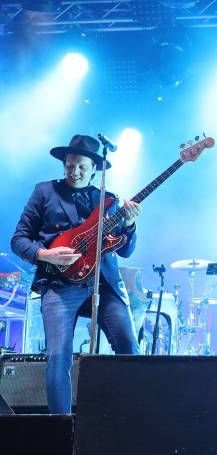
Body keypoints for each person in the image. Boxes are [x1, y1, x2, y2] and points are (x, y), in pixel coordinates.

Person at [11, 134, 141, 414]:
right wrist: (44, 254)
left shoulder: (107, 200)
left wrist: (129, 225)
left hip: (102, 284)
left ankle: (133, 417)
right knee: (58, 356)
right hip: (59, 284)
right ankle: (60, 428)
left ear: (95, 168)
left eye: (81, 166)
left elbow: (124, 250)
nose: (74, 171)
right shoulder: (45, 191)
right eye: (69, 166)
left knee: (129, 346)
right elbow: (19, 239)